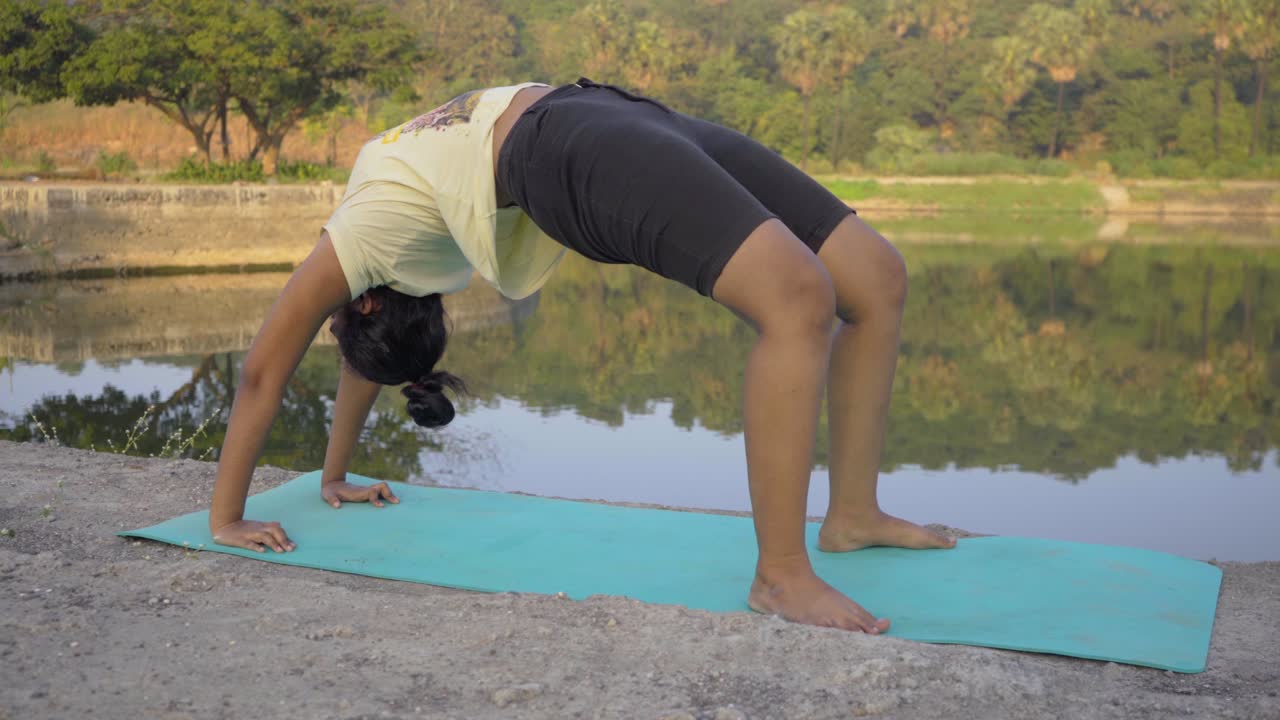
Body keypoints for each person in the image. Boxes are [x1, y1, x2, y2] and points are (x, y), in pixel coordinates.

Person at [207, 78, 955, 634]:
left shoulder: (360, 238)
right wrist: (327, 478)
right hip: (566, 146)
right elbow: (354, 363)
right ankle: (782, 576)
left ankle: (853, 514)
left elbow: (263, 373)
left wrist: (233, 515)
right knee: (797, 298)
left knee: (875, 276)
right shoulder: (380, 253)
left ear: (365, 302)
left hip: (598, 114)